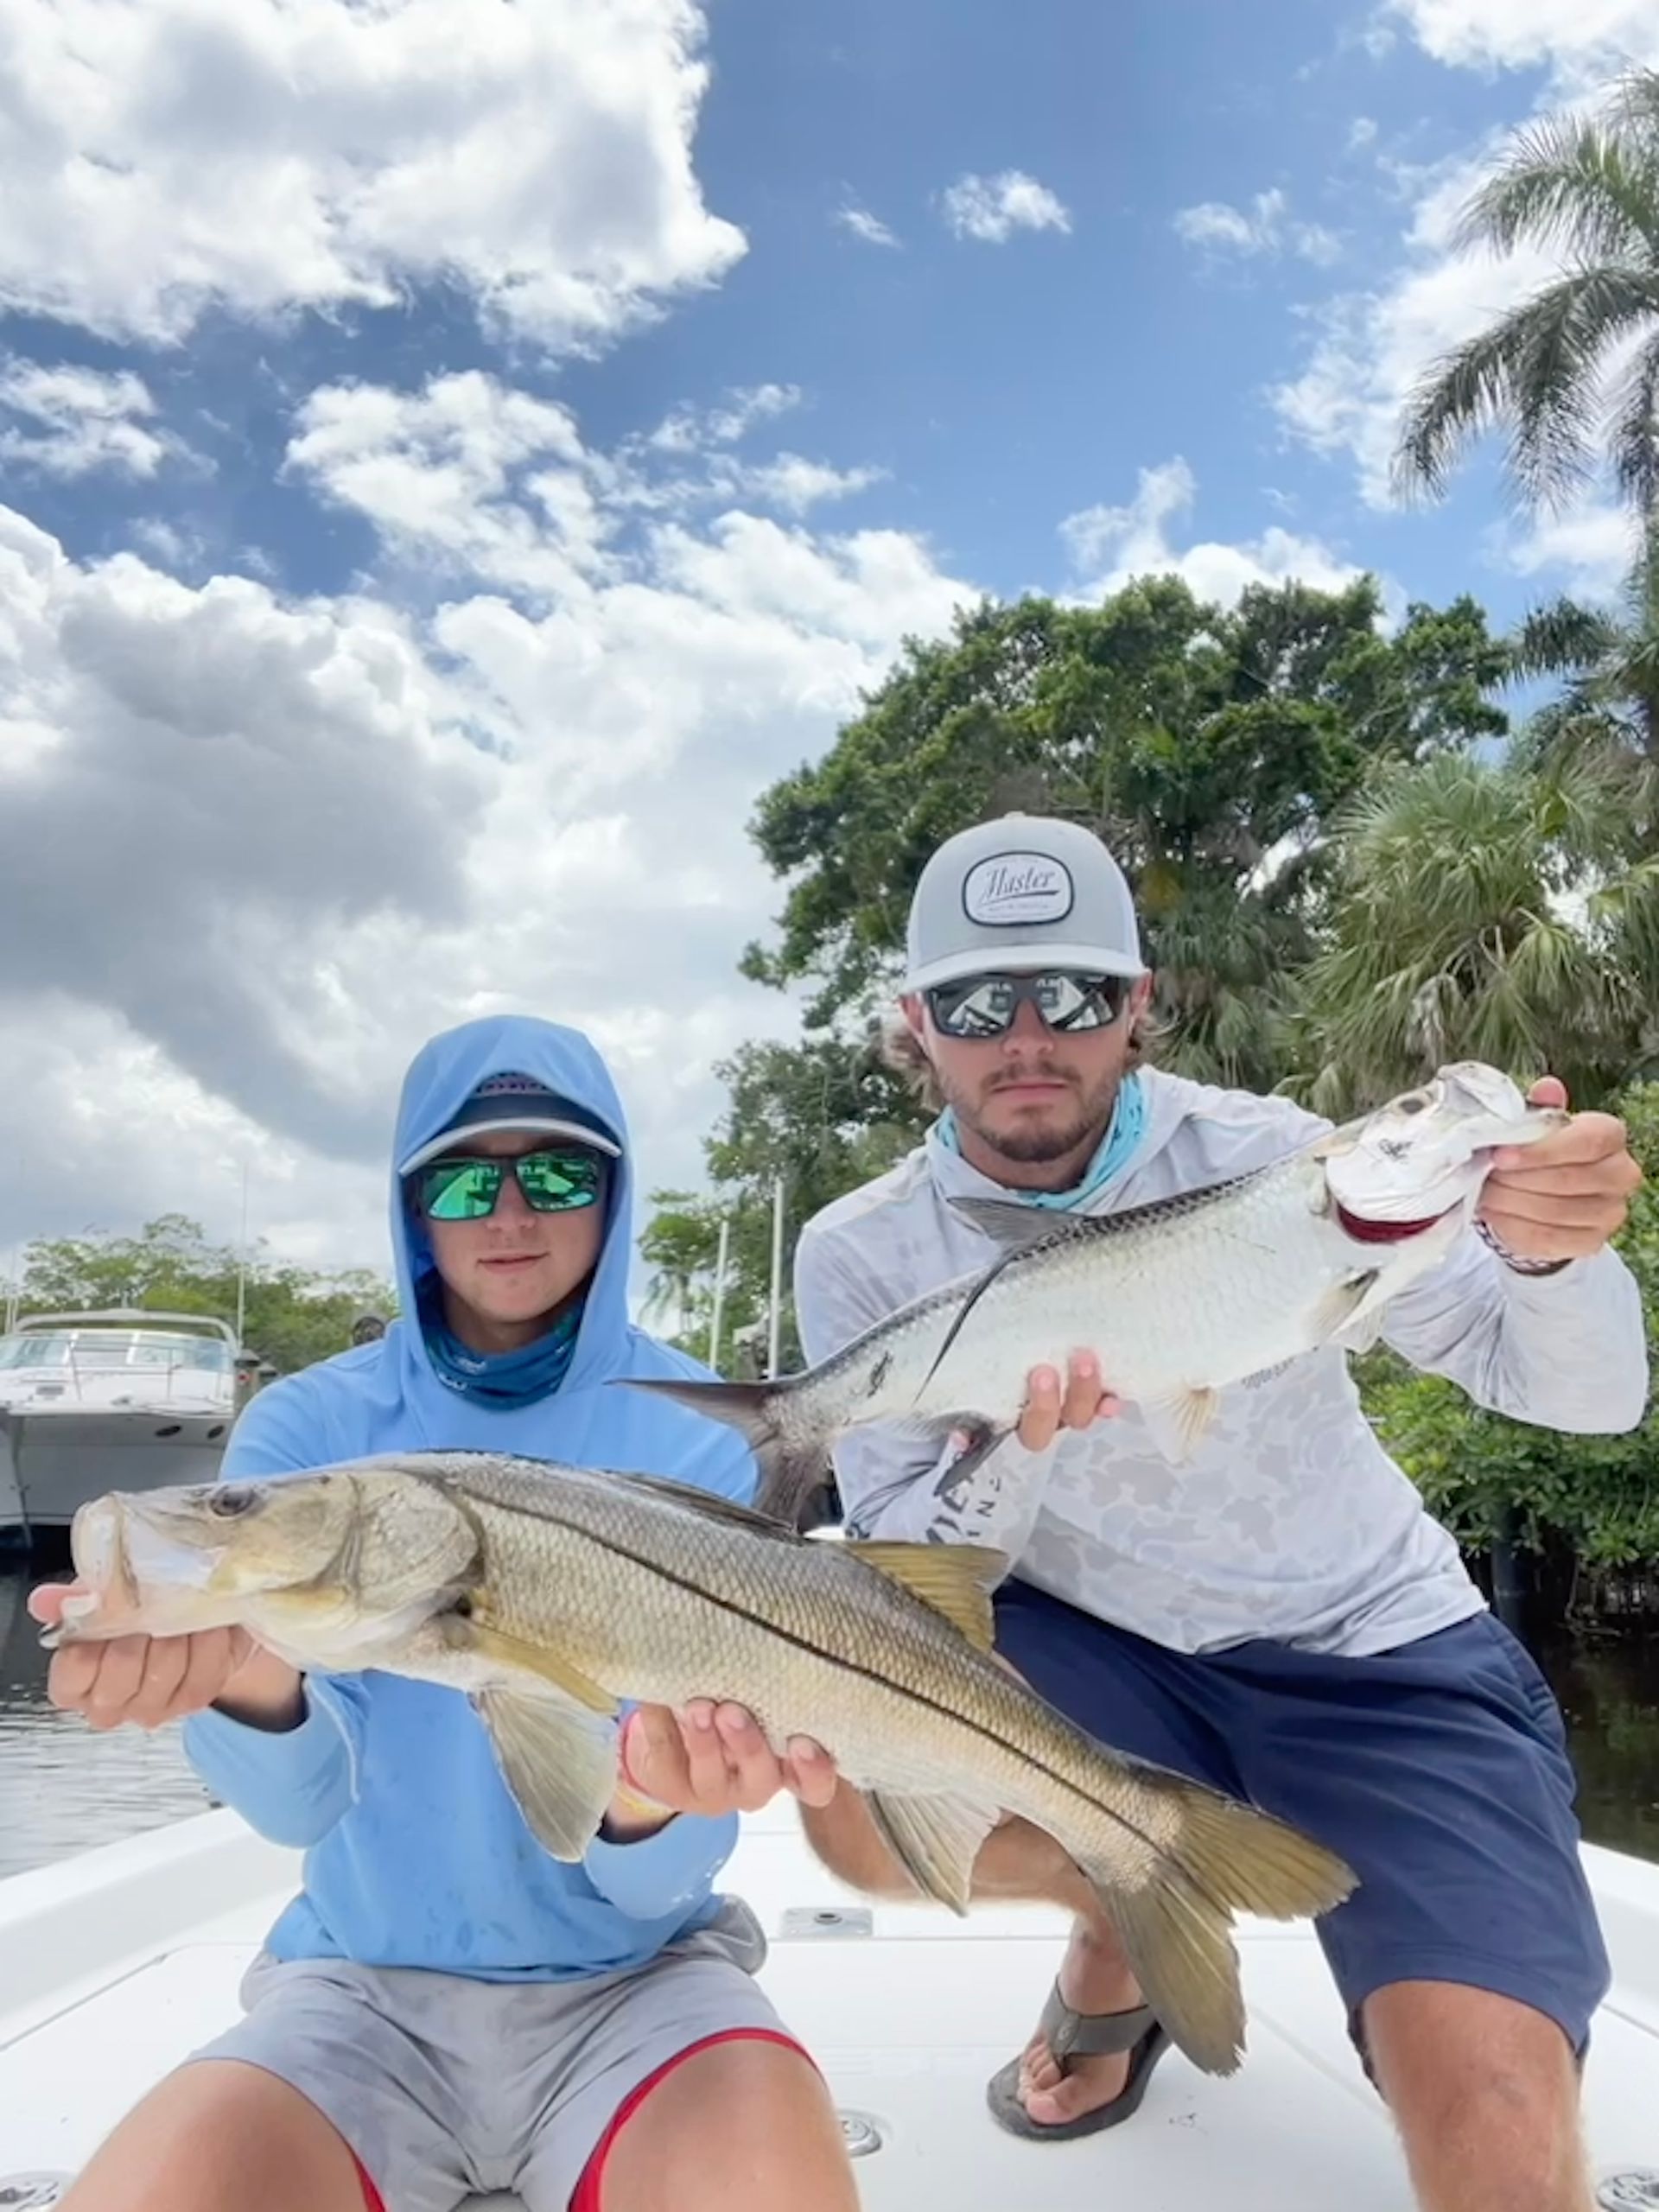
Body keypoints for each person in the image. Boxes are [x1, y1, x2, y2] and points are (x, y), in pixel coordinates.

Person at [792, 812, 1648, 2212]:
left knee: (1497, 2116)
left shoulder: (1285, 1160)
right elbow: (916, 1575)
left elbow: (1585, 1401)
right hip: (1093, 1650)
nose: (1026, 1037)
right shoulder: (861, 1252)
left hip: (1373, 1654)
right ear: (915, 1025)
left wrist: (1554, 1260)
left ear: (1136, 1009)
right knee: (855, 1791)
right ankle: (1133, 1909)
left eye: (1069, 994)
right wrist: (1021, 1445)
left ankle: (1153, 1897)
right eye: (975, 1002)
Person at [31, 1014, 855, 2212]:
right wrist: (232, 1681)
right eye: (466, 1177)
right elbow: (301, 1807)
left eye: (559, 1171)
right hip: (357, 1992)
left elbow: (655, 1886)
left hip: (645, 1984)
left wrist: (653, 1799)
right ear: (412, 1205)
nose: (511, 1214)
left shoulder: (706, 1436)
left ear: (615, 1191)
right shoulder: (303, 1436)